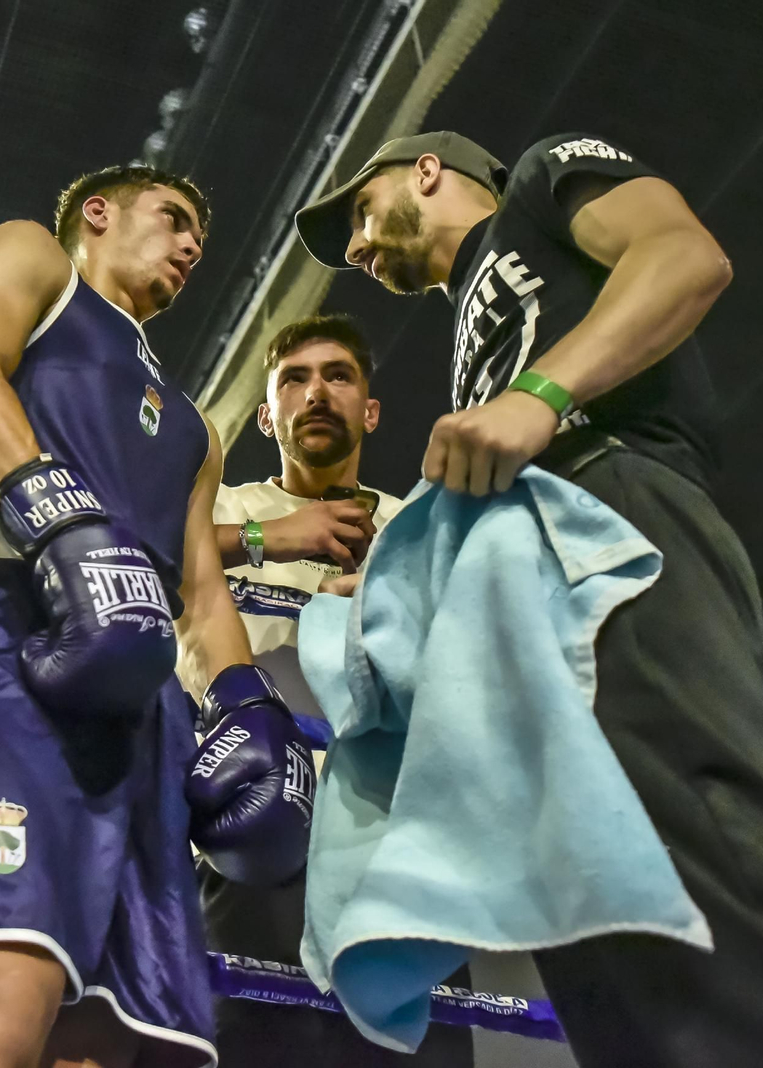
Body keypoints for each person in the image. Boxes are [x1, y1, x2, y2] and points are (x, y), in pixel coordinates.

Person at [292, 130, 763, 1067]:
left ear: (429, 171)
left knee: (708, 860)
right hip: (524, 587)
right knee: (594, 922)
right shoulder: (468, 333)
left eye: (360, 214)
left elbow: (685, 256)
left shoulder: (539, 180)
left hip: (612, 519)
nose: (358, 249)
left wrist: (537, 395)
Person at [0, 165, 315, 1068]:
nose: (194, 244)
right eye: (174, 219)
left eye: (201, 235)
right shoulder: (36, 262)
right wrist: (65, 527)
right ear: (98, 213)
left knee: (108, 1042)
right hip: (18, 630)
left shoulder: (196, 429)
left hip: (143, 689)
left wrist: (250, 706)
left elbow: (201, 594)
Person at [197, 312, 475, 1065]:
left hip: (405, 842)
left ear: (371, 410)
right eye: (294, 379)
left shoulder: (423, 526)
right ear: (266, 415)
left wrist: (406, 592)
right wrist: (268, 539)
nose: (316, 393)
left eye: (338, 376)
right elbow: (138, 558)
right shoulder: (223, 511)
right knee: (262, 1049)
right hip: (260, 824)